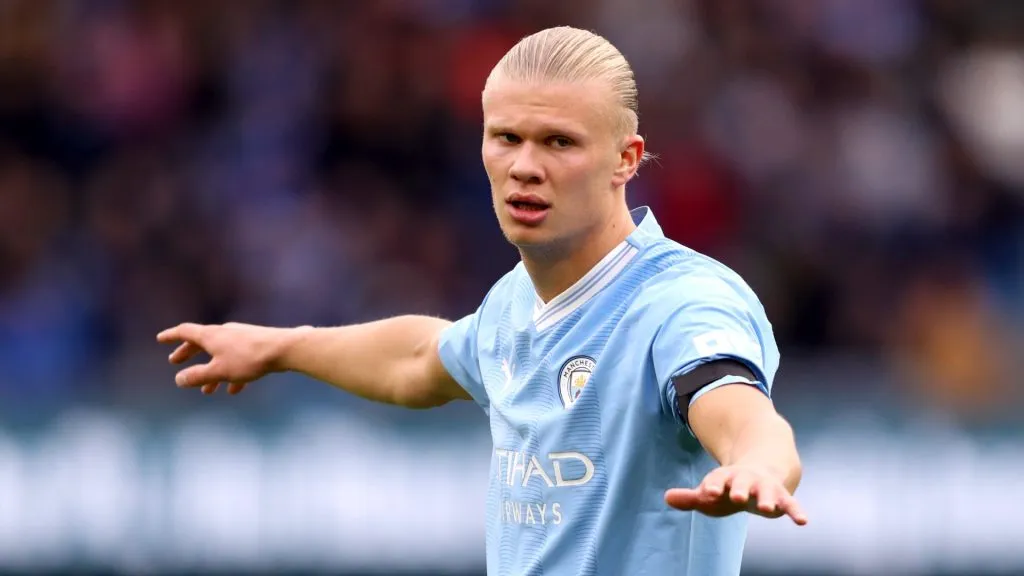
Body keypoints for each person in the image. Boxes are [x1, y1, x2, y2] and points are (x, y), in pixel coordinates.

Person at [158, 26, 806, 576]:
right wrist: (277, 348)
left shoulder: (683, 302)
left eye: (559, 142)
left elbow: (740, 409)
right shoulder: (514, 305)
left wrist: (755, 467)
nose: (526, 166)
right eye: (507, 138)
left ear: (625, 159)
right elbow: (417, 359)